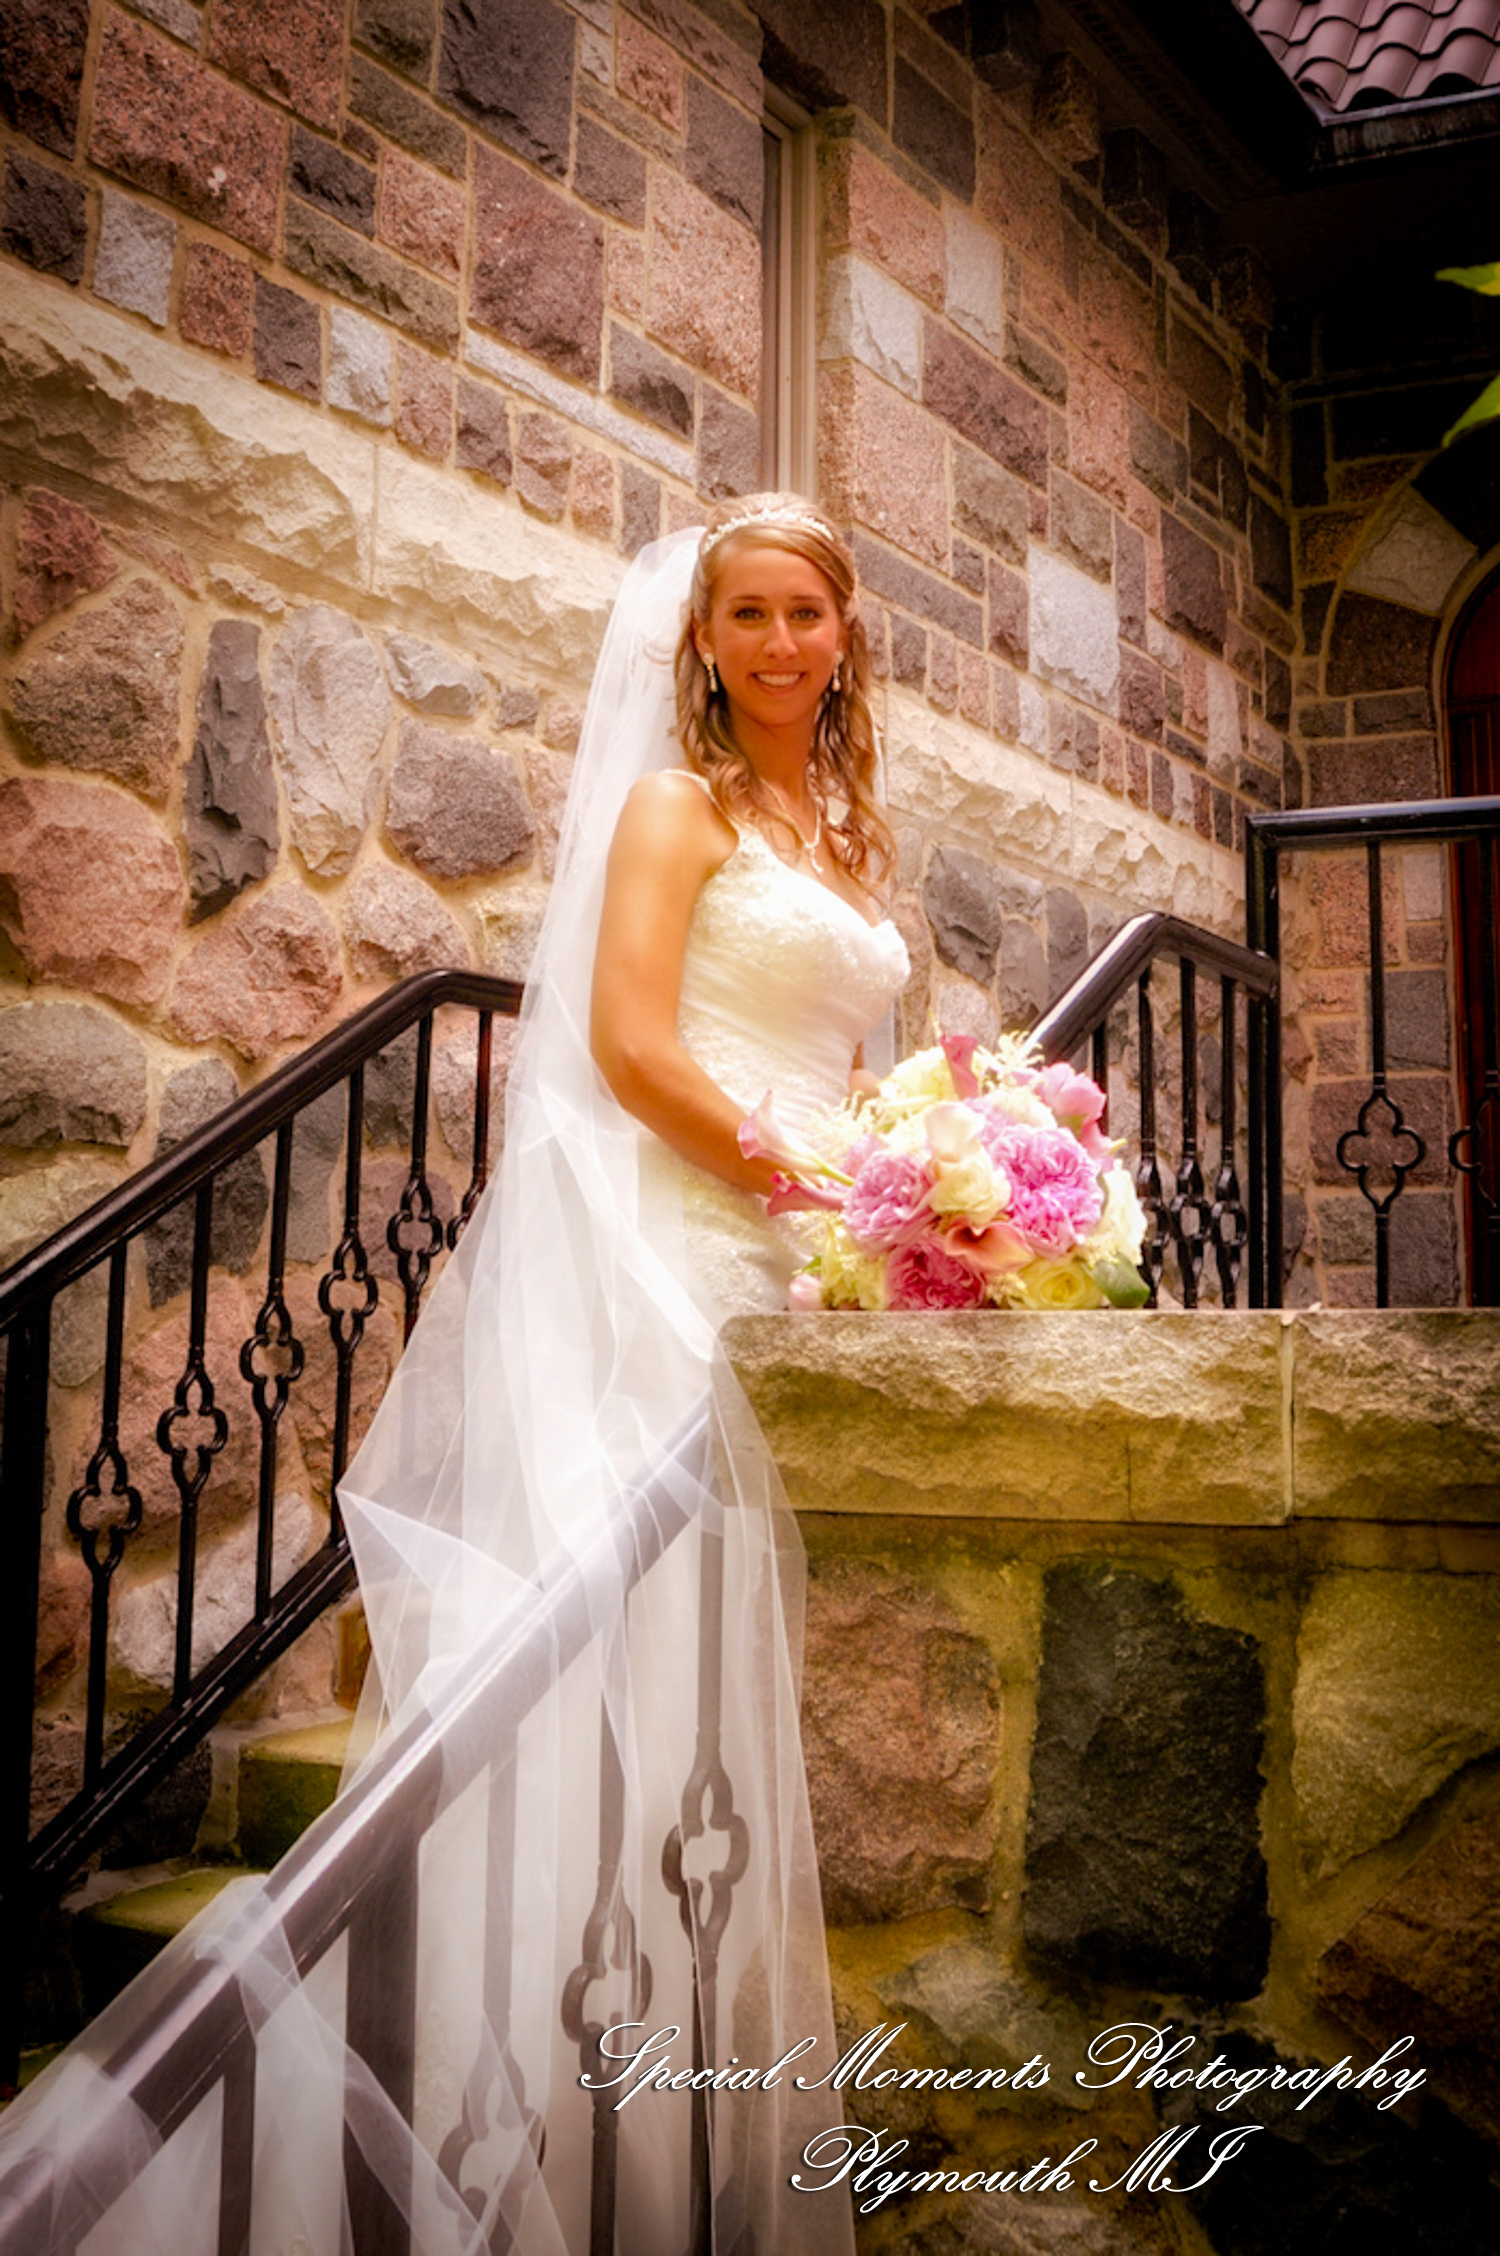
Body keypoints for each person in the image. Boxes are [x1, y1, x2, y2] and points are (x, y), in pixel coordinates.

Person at [0, 500, 908, 2256]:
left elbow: (839, 1056)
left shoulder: (843, 827)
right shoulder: (677, 809)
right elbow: (636, 1051)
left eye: (811, 613)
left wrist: (902, 1197)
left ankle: (656, 2103)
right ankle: (507, 2111)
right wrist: (822, 1176)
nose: (784, 642)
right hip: (683, 1259)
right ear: (703, 644)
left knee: (706, 1693)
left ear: (846, 634)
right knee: (593, 1671)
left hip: (798, 1269)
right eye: (751, 615)